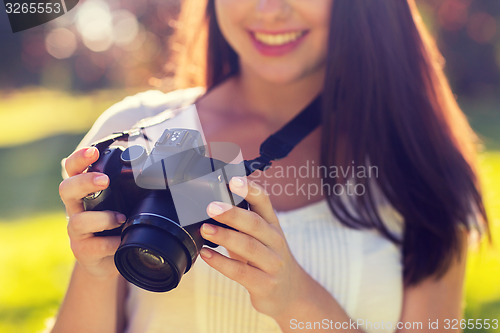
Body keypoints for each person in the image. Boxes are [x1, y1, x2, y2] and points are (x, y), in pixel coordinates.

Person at [52, 0, 489, 332]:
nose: (270, 10)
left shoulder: (419, 167)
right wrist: (96, 271)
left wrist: (296, 301)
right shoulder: (140, 132)